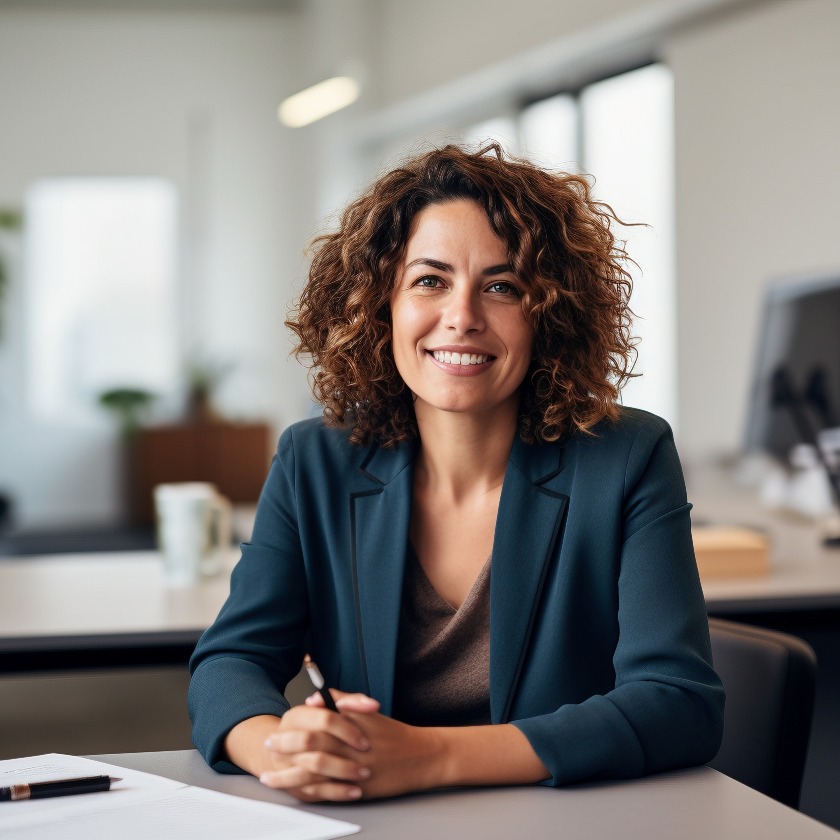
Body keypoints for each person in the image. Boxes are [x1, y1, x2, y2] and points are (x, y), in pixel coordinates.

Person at [188, 143, 724, 802]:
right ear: (380, 304)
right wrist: (288, 751)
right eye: (430, 280)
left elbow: (677, 704)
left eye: (502, 286)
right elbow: (230, 663)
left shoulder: (628, 456)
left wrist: (431, 756)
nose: (463, 317)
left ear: (547, 315)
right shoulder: (314, 462)